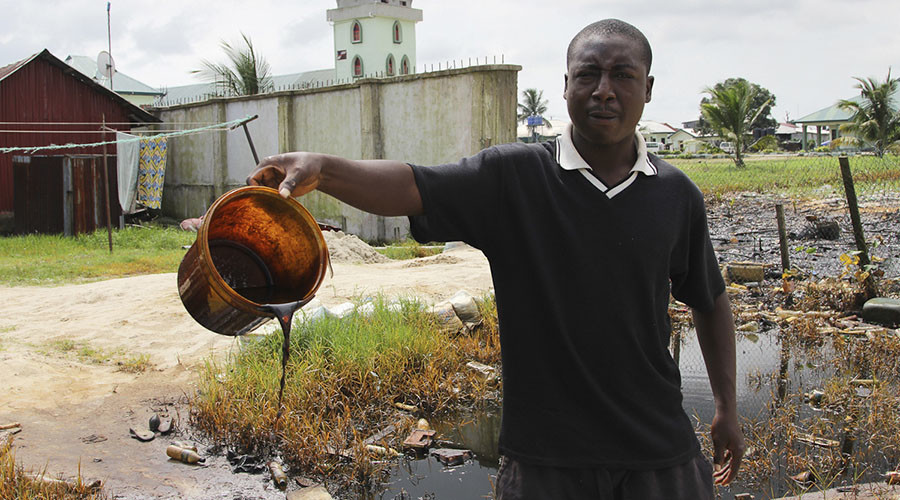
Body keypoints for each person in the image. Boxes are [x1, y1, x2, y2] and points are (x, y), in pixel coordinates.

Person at [247, 18, 743, 500]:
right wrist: (325, 169)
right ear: (566, 84)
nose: (604, 90)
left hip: (658, 452)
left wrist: (726, 406)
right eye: (588, 74)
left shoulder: (676, 194)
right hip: (545, 460)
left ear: (648, 87)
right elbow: (413, 185)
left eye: (623, 75)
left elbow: (709, 298)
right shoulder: (514, 178)